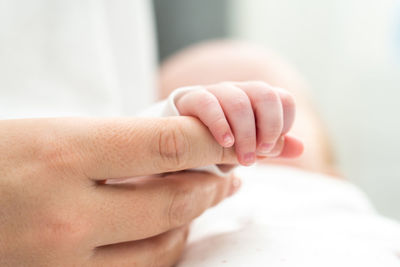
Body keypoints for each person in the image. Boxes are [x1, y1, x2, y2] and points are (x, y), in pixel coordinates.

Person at [1, 1, 400, 267]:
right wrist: (174, 125)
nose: (245, 122)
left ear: (335, 175)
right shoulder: (167, 184)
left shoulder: (327, 203)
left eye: (280, 117)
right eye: (203, 105)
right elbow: (122, 165)